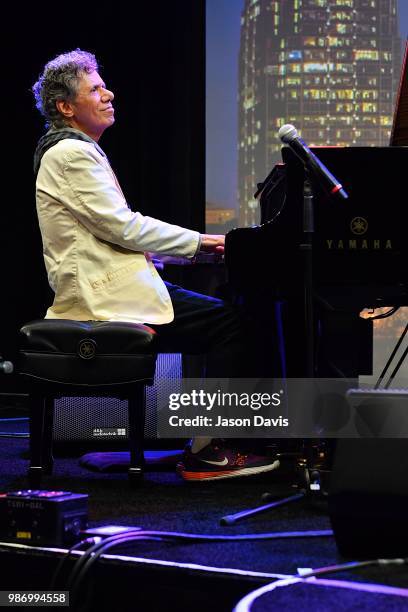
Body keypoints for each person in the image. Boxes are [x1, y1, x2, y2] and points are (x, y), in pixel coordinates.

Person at [32, 48, 279, 481]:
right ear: (66, 107)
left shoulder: (73, 151)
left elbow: (113, 234)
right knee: (231, 324)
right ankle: (209, 451)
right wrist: (203, 241)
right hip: (104, 294)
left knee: (226, 316)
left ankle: (207, 441)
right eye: (95, 88)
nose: (108, 94)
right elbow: (123, 229)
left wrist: (203, 249)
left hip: (113, 282)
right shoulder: (70, 154)